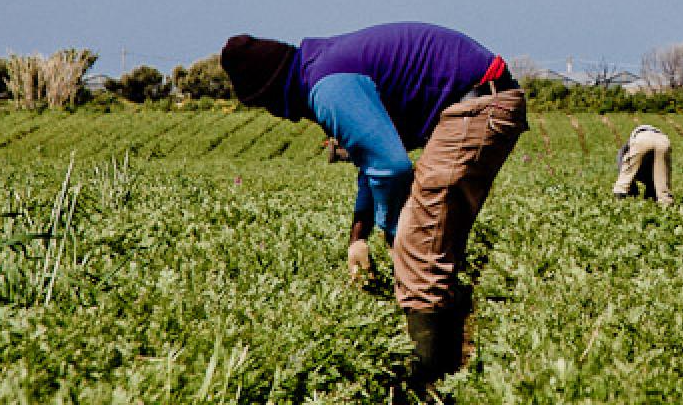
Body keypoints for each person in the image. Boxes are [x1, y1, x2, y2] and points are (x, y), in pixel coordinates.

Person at [219, 22, 528, 389]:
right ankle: (447, 355)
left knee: (416, 242)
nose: (278, 116)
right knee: (426, 240)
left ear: (270, 92)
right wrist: (359, 235)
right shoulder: (322, 67)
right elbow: (373, 160)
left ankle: (427, 383)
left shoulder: (327, 87)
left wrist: (391, 227)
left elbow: (392, 167)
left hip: (477, 106)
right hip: (480, 99)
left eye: (264, 105)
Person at [612, 125, 673, 205]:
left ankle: (619, 201)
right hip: (663, 141)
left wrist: (630, 187)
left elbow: (622, 162)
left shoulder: (631, 142)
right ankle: (665, 202)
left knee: (625, 178)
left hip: (642, 139)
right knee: (661, 178)